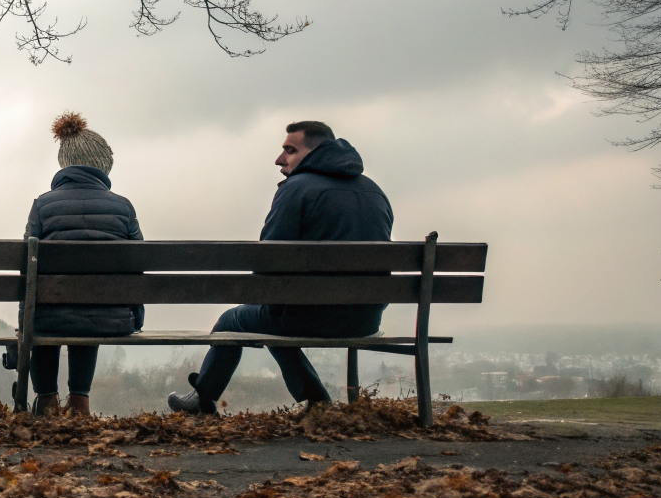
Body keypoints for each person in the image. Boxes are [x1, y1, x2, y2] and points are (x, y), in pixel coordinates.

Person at [169, 121, 394, 415]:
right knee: (275, 313)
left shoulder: (297, 188)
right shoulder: (374, 192)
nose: (280, 158)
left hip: (309, 318)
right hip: (366, 319)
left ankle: (203, 400)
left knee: (234, 320)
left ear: (316, 152)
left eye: (290, 150)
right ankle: (317, 401)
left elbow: (269, 260)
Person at [21, 112, 144, 416]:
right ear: (102, 165)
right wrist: (134, 314)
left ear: (66, 163)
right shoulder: (123, 207)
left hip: (48, 319)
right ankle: (80, 402)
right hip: (111, 318)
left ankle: (47, 399)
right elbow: (138, 267)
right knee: (90, 305)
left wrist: (28, 315)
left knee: (50, 310)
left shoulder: (43, 205)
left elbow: (28, 269)